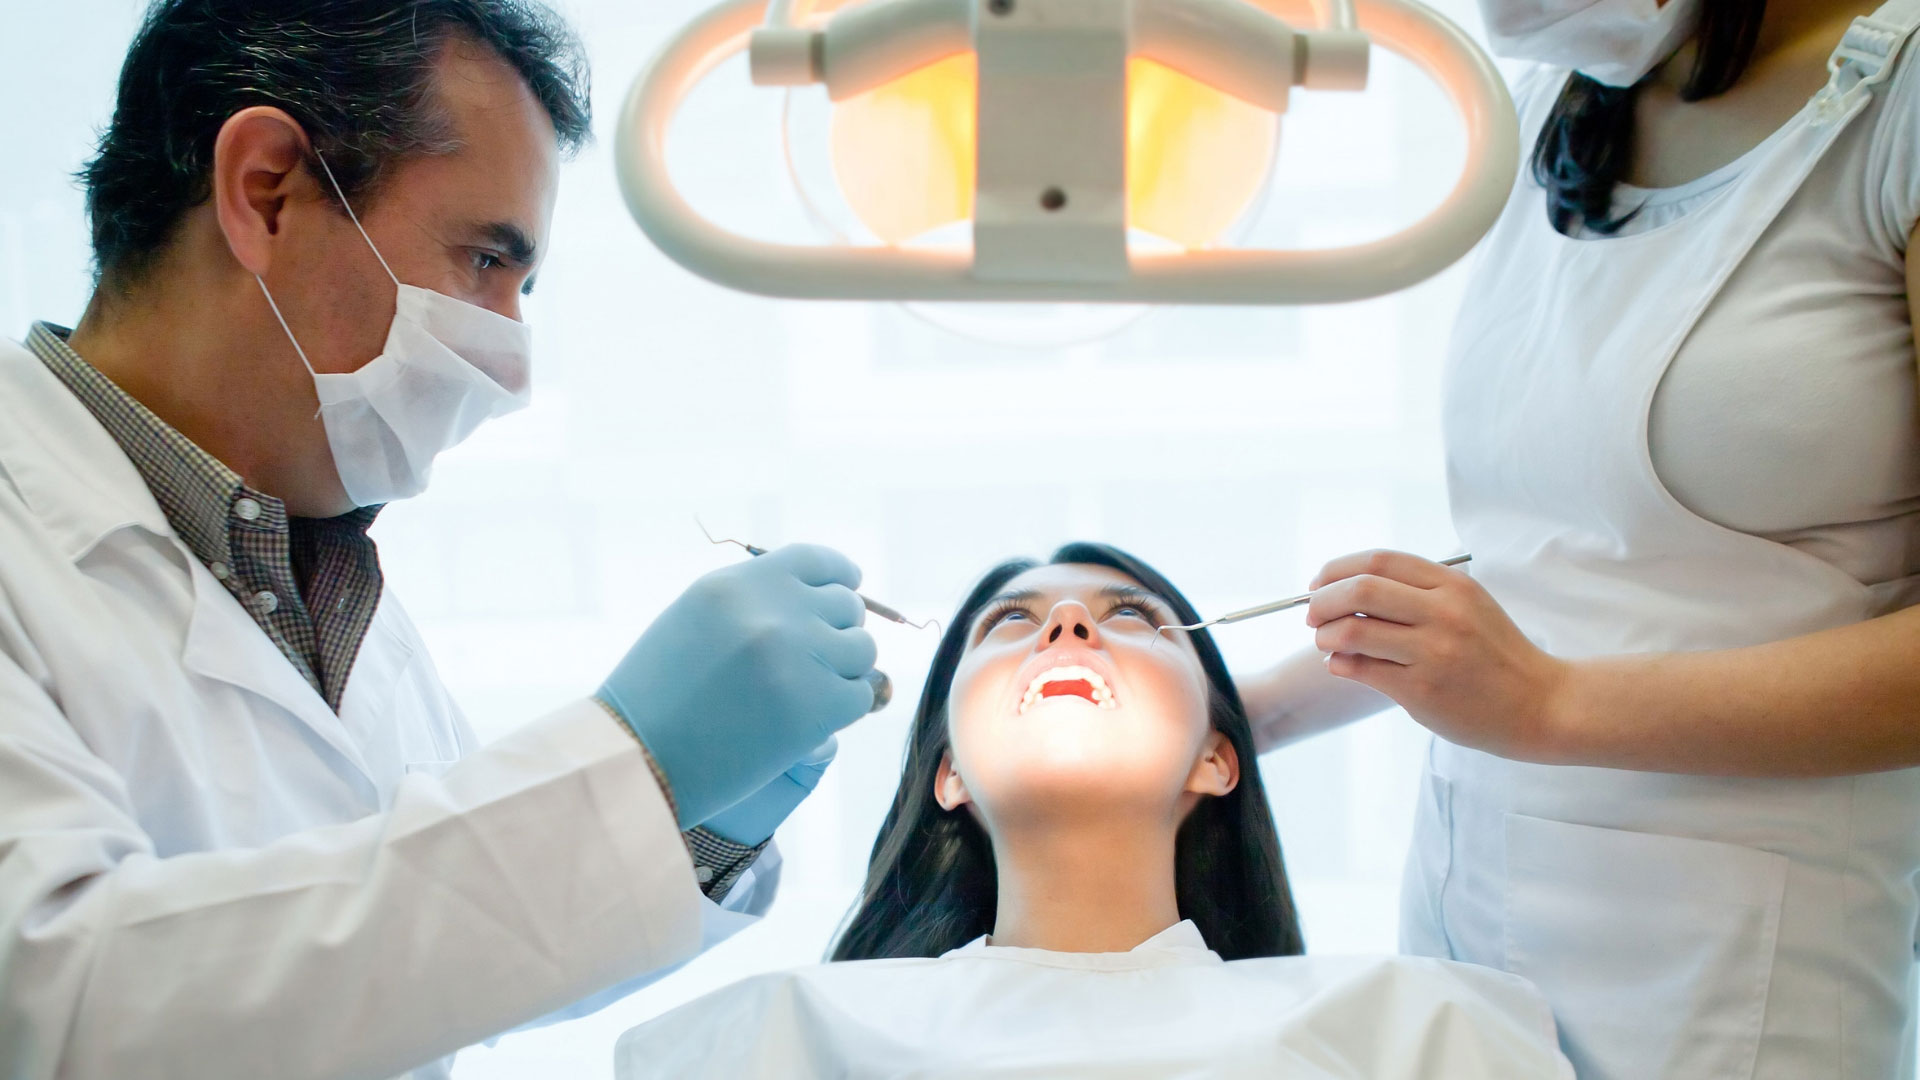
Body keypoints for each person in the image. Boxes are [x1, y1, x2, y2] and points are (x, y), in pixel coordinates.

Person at [0, 3, 882, 1078]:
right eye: (482, 260)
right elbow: (61, 1002)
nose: (511, 360)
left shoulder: (322, 592)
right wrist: (624, 766)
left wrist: (683, 821)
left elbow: (432, 972)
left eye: (524, 286)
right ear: (265, 191)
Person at [1235, 0, 1920, 1076]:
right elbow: (1561, 557)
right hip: (1470, 909)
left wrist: (1547, 704)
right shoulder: (1558, 98)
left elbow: (1536, 669)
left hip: (1744, 968)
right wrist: (1237, 714)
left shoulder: (1898, 113)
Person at [613, 544, 1573, 1079]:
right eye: (1009, 625)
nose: (1068, 626)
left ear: (1216, 757)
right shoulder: (768, 1041)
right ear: (948, 775)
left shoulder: (1421, 1033)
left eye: (1131, 618)